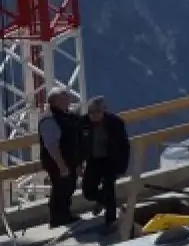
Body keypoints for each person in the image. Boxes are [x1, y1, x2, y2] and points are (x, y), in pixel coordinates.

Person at [80, 97, 130, 229]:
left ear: (103, 111)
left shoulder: (115, 123)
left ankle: (111, 221)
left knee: (109, 188)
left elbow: (124, 146)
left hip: (111, 160)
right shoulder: (83, 123)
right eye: (92, 112)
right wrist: (78, 164)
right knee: (88, 191)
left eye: (97, 112)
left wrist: (122, 167)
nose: (94, 115)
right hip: (93, 160)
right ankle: (103, 201)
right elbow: (77, 145)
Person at [38, 88, 82, 226]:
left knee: (69, 186)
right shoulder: (49, 119)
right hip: (56, 161)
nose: (69, 100)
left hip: (70, 159)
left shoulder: (67, 116)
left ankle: (65, 214)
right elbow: (51, 145)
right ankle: (57, 218)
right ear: (57, 101)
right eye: (65, 98)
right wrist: (61, 165)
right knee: (60, 187)